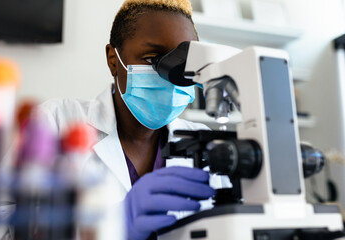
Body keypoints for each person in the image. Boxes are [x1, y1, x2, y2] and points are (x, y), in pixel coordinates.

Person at [37, 0, 231, 239]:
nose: (170, 76)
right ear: (112, 59)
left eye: (182, 64)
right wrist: (109, 226)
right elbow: (3, 229)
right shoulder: (56, 122)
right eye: (152, 58)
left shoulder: (207, 146)